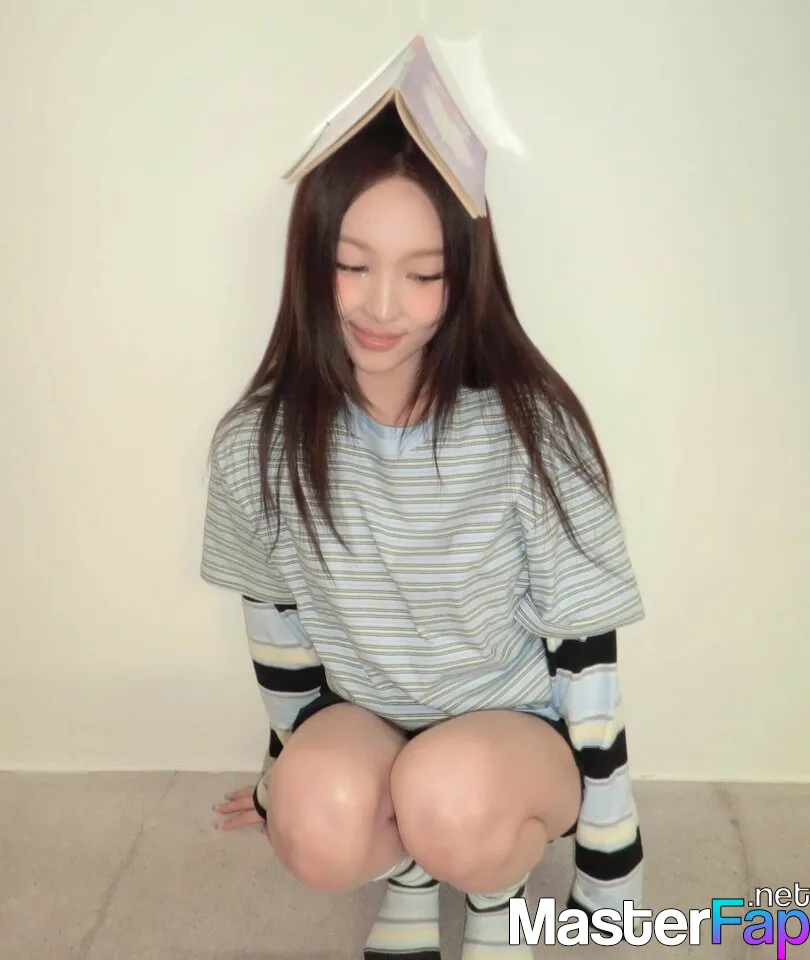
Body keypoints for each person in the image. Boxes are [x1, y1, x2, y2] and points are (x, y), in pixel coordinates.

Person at [200, 103, 645, 959]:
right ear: (312, 260)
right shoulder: (258, 443)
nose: (381, 305)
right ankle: (409, 869)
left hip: (513, 734)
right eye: (352, 265)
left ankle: (492, 887)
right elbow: (278, 636)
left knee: (448, 796)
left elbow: (587, 655)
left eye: (422, 274)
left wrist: (610, 857)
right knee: (312, 820)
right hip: (367, 718)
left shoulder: (531, 433)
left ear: (464, 276)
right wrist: (283, 775)